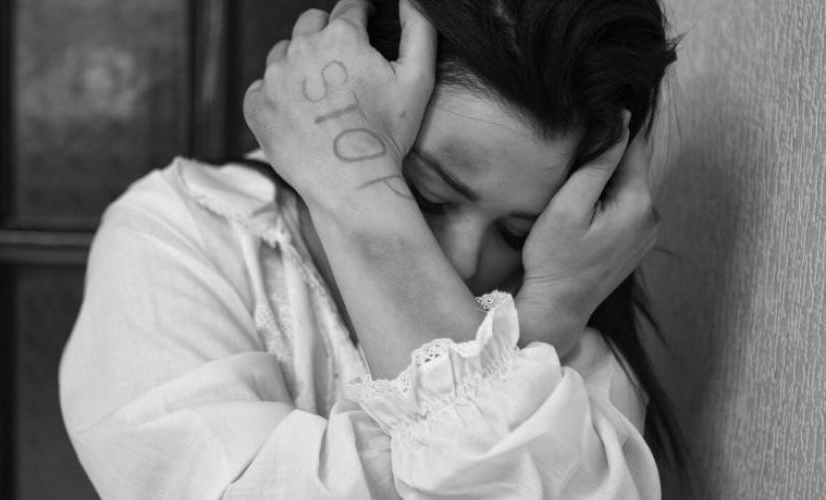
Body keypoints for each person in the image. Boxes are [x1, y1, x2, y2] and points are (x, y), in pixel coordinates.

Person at [59, 0, 683, 497]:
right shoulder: (181, 234)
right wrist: (356, 196)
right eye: (427, 195)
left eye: (518, 233)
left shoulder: (568, 277)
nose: (466, 262)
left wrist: (549, 306)